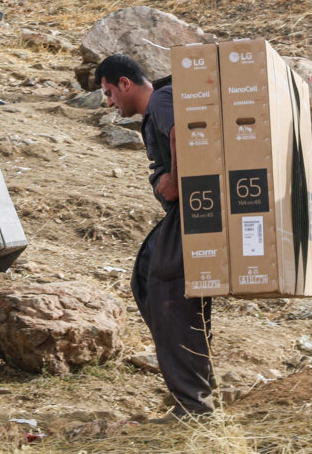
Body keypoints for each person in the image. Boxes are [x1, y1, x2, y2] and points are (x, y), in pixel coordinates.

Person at [95, 55, 215, 417]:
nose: (109, 102)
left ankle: (193, 406)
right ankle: (197, 392)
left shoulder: (162, 99)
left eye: (110, 92)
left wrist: (176, 179)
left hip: (194, 209)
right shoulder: (162, 102)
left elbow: (182, 131)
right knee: (150, 279)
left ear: (125, 83)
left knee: (165, 290)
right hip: (190, 211)